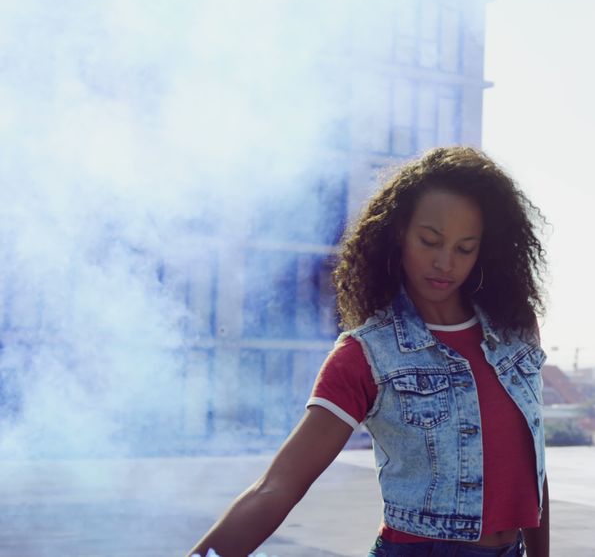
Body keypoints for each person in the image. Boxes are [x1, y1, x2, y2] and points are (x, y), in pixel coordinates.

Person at [189, 146, 550, 557]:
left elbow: (534, 467)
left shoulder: (516, 332)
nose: (445, 263)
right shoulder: (367, 354)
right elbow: (278, 486)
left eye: (464, 248)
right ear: (398, 233)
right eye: (430, 241)